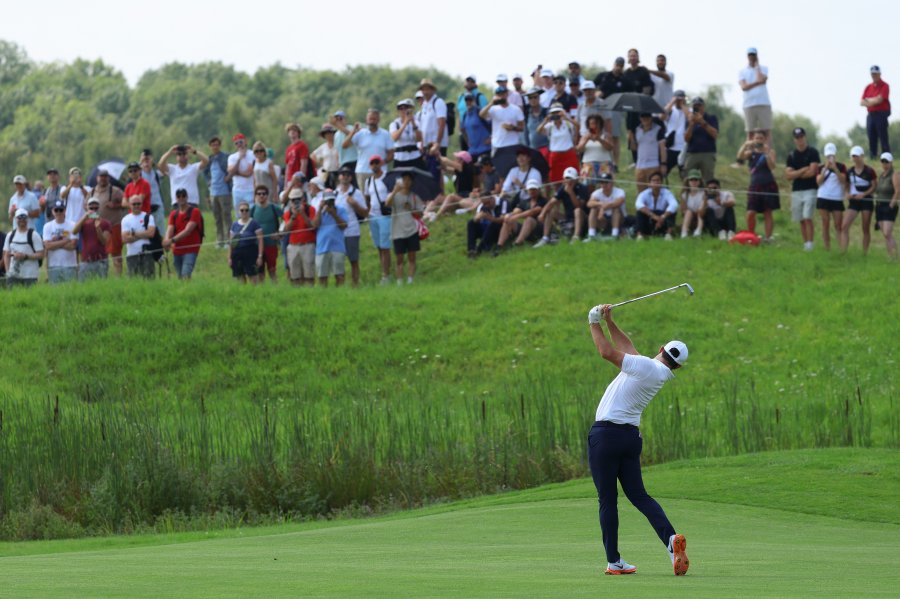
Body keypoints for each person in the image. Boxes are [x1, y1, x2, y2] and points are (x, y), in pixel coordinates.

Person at [585, 302, 690, 577]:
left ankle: (614, 561)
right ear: (677, 366)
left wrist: (592, 321)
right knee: (639, 496)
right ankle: (670, 541)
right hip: (629, 438)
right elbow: (629, 349)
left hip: (605, 436)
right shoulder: (654, 371)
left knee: (608, 500)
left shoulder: (645, 366)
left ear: (660, 349)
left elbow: (606, 351)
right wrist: (609, 321)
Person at [738, 130, 780, 241]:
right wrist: (745, 145)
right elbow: (740, 157)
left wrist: (766, 154)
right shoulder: (750, 152)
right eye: (757, 138)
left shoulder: (770, 152)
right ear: (753, 139)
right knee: (751, 212)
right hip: (754, 185)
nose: (759, 141)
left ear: (765, 140)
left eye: (761, 138)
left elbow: (772, 167)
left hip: (768, 184)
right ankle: (752, 236)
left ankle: (768, 238)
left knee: (767, 212)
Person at [784, 127, 821, 251]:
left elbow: (812, 172)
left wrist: (797, 173)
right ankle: (805, 243)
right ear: (794, 140)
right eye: (797, 138)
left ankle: (810, 243)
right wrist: (802, 170)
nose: (800, 140)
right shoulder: (791, 155)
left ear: (805, 137)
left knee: (807, 216)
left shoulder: (813, 152)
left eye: (801, 137)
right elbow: (788, 175)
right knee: (800, 218)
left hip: (810, 189)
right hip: (796, 190)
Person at [385, 171, 425, 284]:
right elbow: (387, 204)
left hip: (412, 230)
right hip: (397, 231)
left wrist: (411, 208)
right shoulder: (394, 195)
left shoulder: (414, 196)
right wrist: (394, 191)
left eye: (409, 180)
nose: (406, 182)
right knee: (399, 259)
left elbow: (420, 214)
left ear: (412, 182)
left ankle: (410, 280)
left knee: (412, 257)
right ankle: (399, 281)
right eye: (404, 179)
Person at [343, 108, 395, 192]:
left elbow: (391, 154)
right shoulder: (360, 134)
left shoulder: (385, 134)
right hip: (363, 171)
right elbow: (344, 145)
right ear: (366, 120)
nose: (372, 121)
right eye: (370, 119)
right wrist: (353, 132)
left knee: (381, 196)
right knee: (365, 199)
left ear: (378, 120)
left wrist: (382, 162)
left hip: (380, 172)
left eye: (374, 119)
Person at [536, 167, 589, 246]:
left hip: (582, 218)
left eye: (571, 179)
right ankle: (545, 238)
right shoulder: (562, 188)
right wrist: (542, 213)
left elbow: (579, 206)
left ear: (576, 179)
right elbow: (551, 202)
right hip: (568, 217)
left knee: (577, 211)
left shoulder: (582, 188)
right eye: (567, 178)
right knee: (551, 212)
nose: (568, 181)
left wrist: (571, 193)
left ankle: (576, 237)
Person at [334, 166, 368, 287]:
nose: (345, 176)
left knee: (353, 260)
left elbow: (364, 213)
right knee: (338, 261)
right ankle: (340, 285)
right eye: (343, 174)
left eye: (347, 174)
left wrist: (355, 204)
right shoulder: (334, 193)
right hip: (338, 232)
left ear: (351, 177)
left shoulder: (357, 193)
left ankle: (355, 284)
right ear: (339, 177)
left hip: (352, 231)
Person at [840, 146, 877, 254]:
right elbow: (846, 185)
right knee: (844, 226)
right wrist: (847, 194)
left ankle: (864, 253)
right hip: (854, 202)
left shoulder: (870, 171)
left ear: (862, 156)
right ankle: (843, 252)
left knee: (865, 228)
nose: (855, 158)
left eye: (857, 156)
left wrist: (864, 194)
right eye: (853, 156)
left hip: (866, 201)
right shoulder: (850, 171)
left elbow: (874, 186)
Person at [163, 188, 203, 280]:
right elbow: (170, 228)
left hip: (191, 249)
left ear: (187, 197)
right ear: (176, 198)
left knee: (185, 274)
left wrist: (171, 240)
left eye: (183, 196)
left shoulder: (195, 211)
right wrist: (166, 240)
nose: (181, 198)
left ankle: (188, 292)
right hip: (177, 250)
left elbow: (188, 230)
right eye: (179, 196)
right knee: (180, 276)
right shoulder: (173, 214)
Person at [595, 57, 629, 167]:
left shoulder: (624, 80)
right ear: (614, 64)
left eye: (621, 65)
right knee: (601, 134)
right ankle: (603, 160)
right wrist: (597, 93)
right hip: (602, 107)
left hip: (616, 108)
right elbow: (592, 85)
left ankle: (615, 163)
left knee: (614, 136)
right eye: (617, 65)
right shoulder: (604, 76)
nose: (618, 67)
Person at [312, 189, 348, 287]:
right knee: (322, 276)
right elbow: (315, 225)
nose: (330, 203)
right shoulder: (319, 211)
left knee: (339, 275)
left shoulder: (341, 210)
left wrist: (334, 214)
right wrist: (320, 209)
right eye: (327, 201)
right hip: (322, 247)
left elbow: (344, 226)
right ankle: (324, 296)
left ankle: (340, 295)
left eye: (331, 200)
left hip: (337, 247)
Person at [816, 143, 848, 251]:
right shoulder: (820, 167)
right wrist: (825, 169)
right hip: (823, 197)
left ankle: (841, 249)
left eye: (832, 155)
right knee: (825, 223)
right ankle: (827, 248)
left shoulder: (841, 166)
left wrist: (835, 169)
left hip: (836, 198)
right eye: (828, 156)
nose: (830, 158)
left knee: (838, 225)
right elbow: (818, 182)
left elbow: (843, 181)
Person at [93, 170, 126, 275]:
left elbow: (126, 203)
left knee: (116, 254)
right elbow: (86, 206)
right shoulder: (92, 192)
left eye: (105, 176)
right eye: (101, 176)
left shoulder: (115, 191)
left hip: (114, 226)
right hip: (98, 227)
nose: (103, 178)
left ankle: (118, 278)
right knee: (100, 254)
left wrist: (115, 205)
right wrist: (94, 215)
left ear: (109, 178)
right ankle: (102, 276)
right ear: (97, 178)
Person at [365, 157, 393, 283]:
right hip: (373, 215)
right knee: (379, 246)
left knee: (385, 246)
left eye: (377, 162)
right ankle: (384, 271)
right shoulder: (369, 181)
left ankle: (386, 275)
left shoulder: (387, 177)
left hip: (385, 215)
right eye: (372, 163)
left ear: (381, 163)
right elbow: (367, 198)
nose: (374, 165)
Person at [497, 179, 547, 248]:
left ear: (538, 189)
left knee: (529, 219)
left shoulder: (543, 201)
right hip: (526, 228)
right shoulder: (525, 202)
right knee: (508, 220)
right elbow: (517, 210)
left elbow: (533, 211)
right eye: (530, 189)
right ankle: (499, 245)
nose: (532, 191)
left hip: (539, 228)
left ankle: (518, 243)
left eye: (534, 189)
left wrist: (516, 216)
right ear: (527, 190)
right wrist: (509, 215)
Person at [538, 104, 579, 186]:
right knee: (556, 179)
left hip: (568, 153)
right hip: (555, 155)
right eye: (554, 113)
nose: (556, 114)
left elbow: (577, 126)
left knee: (573, 178)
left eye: (558, 112)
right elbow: (538, 131)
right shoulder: (550, 126)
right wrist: (546, 120)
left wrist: (566, 117)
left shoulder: (567, 124)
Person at [158, 144, 209, 209]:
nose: (182, 156)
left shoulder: (193, 168)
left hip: (192, 202)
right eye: (179, 154)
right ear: (176, 157)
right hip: (177, 203)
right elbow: (160, 164)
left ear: (187, 155)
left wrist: (194, 151)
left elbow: (206, 160)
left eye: (184, 154)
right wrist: (169, 152)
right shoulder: (172, 169)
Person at [283, 188, 317, 286]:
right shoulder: (288, 213)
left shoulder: (310, 209)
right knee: (295, 275)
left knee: (309, 274)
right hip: (293, 245)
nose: (295, 202)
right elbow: (287, 229)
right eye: (293, 200)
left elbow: (312, 226)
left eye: (298, 199)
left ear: (302, 199)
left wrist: (302, 213)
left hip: (308, 245)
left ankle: (309, 293)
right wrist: (294, 216)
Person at [738, 48, 772, 145]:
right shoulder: (742, 71)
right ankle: (750, 155)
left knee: (767, 131)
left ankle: (768, 155)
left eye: (753, 55)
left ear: (757, 56)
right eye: (750, 55)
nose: (752, 57)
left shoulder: (764, 68)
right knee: (750, 132)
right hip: (749, 104)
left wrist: (757, 67)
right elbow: (744, 87)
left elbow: (762, 78)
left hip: (764, 103)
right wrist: (758, 83)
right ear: (747, 56)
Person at [3, 208, 44, 288]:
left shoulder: (34, 235)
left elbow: (41, 254)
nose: (22, 220)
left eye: (24, 217)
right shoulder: (10, 235)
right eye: (19, 217)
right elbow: (6, 254)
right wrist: (8, 271)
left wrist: (26, 256)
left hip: (30, 275)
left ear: (27, 219)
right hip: (13, 276)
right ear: (15, 219)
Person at [250, 182, 283, 283]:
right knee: (260, 271)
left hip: (271, 244)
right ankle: (263, 292)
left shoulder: (274, 208)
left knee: (272, 270)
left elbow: (285, 219)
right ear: (255, 196)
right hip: (257, 245)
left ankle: (276, 290)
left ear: (267, 195)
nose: (261, 196)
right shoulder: (253, 209)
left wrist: (279, 233)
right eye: (259, 194)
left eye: (263, 193)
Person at [72, 196, 111, 280]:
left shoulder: (106, 223)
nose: (93, 209)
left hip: (101, 259)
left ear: (99, 208)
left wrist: (98, 228)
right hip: (86, 259)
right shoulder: (83, 222)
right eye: (91, 207)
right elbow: (74, 231)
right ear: (87, 207)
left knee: (101, 286)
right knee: (83, 286)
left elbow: (104, 241)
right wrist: (84, 217)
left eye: (96, 207)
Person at [204, 136, 232, 249]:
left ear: (219, 145)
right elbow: (204, 173)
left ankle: (228, 239)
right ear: (210, 147)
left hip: (224, 190)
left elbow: (231, 169)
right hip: (213, 191)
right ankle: (219, 239)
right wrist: (208, 181)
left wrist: (228, 177)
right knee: (217, 217)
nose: (215, 147)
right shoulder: (209, 159)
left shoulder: (226, 156)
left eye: (217, 144)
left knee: (226, 215)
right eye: (213, 145)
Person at [683, 97, 719, 185]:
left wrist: (702, 122)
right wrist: (691, 125)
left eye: (699, 105)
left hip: (708, 153)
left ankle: (708, 197)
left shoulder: (711, 118)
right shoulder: (689, 119)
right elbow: (686, 139)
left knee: (708, 180)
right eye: (695, 106)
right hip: (692, 153)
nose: (697, 108)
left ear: (703, 106)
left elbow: (715, 135)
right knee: (688, 178)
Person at [41, 199, 78, 284]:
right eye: (56, 210)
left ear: (65, 211)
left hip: (70, 265)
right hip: (53, 265)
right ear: (52, 211)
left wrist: (54, 243)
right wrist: (66, 240)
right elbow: (47, 246)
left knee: (71, 290)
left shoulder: (72, 225)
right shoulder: (47, 226)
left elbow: (73, 246)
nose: (58, 212)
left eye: (61, 210)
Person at [629, 113, 667, 194]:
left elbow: (662, 148)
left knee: (654, 191)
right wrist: (631, 138)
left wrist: (663, 164)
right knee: (640, 192)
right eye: (643, 116)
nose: (645, 118)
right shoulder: (637, 129)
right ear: (640, 118)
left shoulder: (658, 129)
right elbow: (634, 148)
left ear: (651, 117)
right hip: (639, 165)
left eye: (647, 116)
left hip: (653, 165)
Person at [480, 86, 524, 156]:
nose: (501, 96)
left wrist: (513, 128)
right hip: (497, 144)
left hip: (512, 144)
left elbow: (522, 127)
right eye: (499, 94)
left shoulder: (516, 109)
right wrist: (491, 103)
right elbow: (481, 115)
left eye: (503, 94)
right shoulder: (493, 109)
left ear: (507, 94)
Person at [634, 172, 678, 240]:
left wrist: (662, 217)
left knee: (672, 211)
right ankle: (639, 236)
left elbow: (674, 204)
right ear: (649, 183)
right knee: (639, 212)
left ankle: (668, 234)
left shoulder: (667, 192)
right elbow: (638, 204)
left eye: (658, 180)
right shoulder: (644, 193)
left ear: (661, 182)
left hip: (662, 217)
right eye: (653, 180)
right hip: (650, 216)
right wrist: (654, 216)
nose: (656, 182)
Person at [228, 200, 263, 284]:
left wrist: (260, 256)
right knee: (239, 275)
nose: (244, 212)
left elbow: (260, 240)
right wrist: (229, 257)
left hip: (250, 251)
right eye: (242, 210)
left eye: (246, 210)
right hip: (237, 253)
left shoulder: (254, 223)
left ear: (249, 211)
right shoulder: (234, 225)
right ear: (239, 211)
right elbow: (231, 242)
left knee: (252, 275)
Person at [120, 196, 156, 279]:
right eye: (134, 204)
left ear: (142, 204)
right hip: (132, 255)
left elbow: (151, 233)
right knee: (133, 280)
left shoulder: (148, 217)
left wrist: (133, 233)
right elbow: (125, 239)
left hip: (147, 254)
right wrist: (144, 234)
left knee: (149, 279)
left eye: (138, 203)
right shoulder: (125, 219)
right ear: (129, 204)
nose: (136, 206)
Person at [861, 66, 891, 159]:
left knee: (883, 137)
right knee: (871, 136)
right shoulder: (868, 87)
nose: (874, 75)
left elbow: (880, 100)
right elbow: (862, 102)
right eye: (872, 74)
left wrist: (868, 100)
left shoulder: (884, 85)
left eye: (875, 74)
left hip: (881, 114)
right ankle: (873, 156)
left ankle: (886, 157)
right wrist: (874, 100)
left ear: (879, 74)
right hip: (871, 114)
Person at [586, 172, 627, 241]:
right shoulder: (597, 193)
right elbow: (589, 203)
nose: (604, 185)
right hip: (603, 219)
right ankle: (591, 235)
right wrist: (601, 204)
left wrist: (603, 208)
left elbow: (619, 202)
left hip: (620, 219)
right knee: (593, 209)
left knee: (615, 208)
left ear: (612, 183)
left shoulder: (619, 192)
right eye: (602, 183)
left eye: (606, 182)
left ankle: (615, 235)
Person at [467, 194, 510, 258]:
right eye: (484, 203)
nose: (486, 205)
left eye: (488, 203)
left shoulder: (503, 202)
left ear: (492, 198)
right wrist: (477, 218)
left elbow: (503, 219)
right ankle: (471, 249)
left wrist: (491, 218)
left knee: (493, 223)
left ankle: (479, 249)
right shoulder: (482, 206)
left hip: (499, 230)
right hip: (486, 229)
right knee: (471, 223)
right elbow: (476, 218)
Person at [874, 152, 899, 260]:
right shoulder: (882, 175)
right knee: (885, 234)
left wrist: (891, 204)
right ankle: (890, 255)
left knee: (887, 232)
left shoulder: (894, 174)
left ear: (891, 162)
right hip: (879, 205)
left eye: (886, 161)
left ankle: (896, 256)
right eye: (883, 161)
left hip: (889, 205)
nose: (884, 164)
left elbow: (898, 190)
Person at [390, 99, 425, 169]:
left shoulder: (417, 122)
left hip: (415, 156)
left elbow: (419, 139)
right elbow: (394, 138)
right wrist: (405, 123)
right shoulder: (395, 124)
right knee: (399, 179)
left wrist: (413, 123)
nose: (404, 110)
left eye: (406, 108)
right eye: (401, 108)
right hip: (400, 157)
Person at [418, 79, 449, 158]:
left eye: (427, 89)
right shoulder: (424, 105)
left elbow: (442, 124)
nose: (425, 92)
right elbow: (422, 127)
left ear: (432, 90)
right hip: (426, 145)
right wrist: (421, 143)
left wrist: (437, 143)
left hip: (436, 145)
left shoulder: (438, 102)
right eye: (423, 89)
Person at [578, 114, 614, 181]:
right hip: (588, 164)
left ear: (600, 125)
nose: (594, 126)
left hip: (604, 164)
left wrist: (599, 139)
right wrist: (586, 140)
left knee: (605, 184)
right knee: (588, 186)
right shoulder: (585, 137)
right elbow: (579, 149)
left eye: (596, 124)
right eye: (591, 124)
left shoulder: (606, 135)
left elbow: (610, 147)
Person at [662, 91, 689, 179]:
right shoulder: (671, 110)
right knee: (663, 172)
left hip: (684, 147)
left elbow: (690, 117)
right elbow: (662, 116)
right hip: (670, 146)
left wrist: (682, 105)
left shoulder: (688, 110)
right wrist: (672, 101)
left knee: (684, 175)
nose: (679, 100)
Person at [459, 93, 491, 163]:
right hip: (472, 151)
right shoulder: (465, 115)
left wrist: (492, 138)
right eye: (466, 100)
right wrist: (467, 141)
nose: (468, 102)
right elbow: (462, 129)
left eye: (470, 100)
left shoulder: (479, 111)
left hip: (484, 149)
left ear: (474, 100)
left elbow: (492, 124)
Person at [140, 149, 166, 233]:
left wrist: (153, 162)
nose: (146, 161)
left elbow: (165, 171)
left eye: (148, 158)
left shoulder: (156, 174)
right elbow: (131, 172)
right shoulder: (139, 175)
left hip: (158, 207)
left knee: (160, 233)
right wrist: (142, 161)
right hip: (144, 208)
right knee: (146, 232)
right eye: (144, 159)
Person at [228, 134, 256, 210]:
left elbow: (248, 173)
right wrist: (239, 159)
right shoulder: (232, 157)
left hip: (250, 189)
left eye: (240, 142)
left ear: (245, 141)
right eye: (236, 143)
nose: (239, 145)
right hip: (237, 190)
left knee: (251, 211)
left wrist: (236, 172)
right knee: (239, 213)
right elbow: (230, 171)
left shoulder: (252, 154)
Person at [521, 88, 549, 155]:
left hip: (547, 149)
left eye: (535, 97)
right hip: (533, 149)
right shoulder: (526, 114)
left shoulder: (546, 112)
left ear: (539, 98)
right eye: (530, 98)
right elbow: (525, 134)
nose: (533, 100)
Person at [678, 170, 706, 238]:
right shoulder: (684, 195)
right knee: (688, 212)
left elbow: (703, 206)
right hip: (689, 215)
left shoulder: (703, 193)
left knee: (700, 212)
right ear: (688, 181)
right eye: (691, 180)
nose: (694, 182)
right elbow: (683, 210)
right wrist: (690, 212)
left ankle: (698, 231)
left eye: (696, 180)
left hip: (701, 214)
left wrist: (698, 211)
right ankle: (684, 232)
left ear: (699, 181)